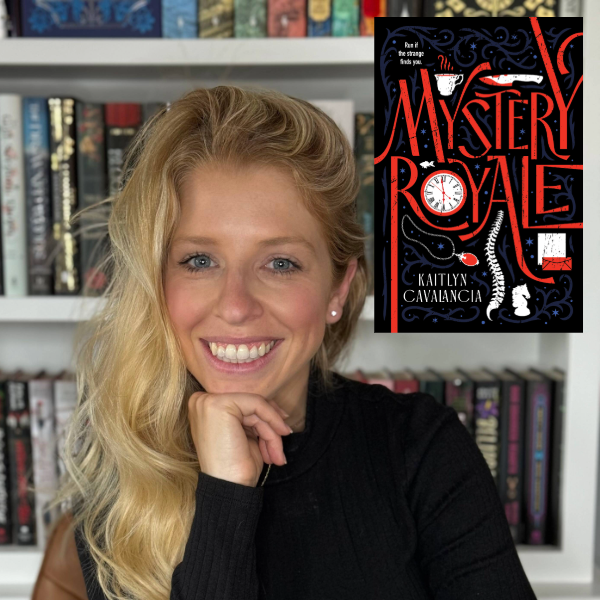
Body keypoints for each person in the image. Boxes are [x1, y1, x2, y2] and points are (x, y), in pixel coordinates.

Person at [49, 85, 538, 600]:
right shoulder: (127, 482)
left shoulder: (422, 450)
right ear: (156, 282)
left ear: (338, 288)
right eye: (199, 260)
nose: (235, 306)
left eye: (280, 263)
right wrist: (225, 494)